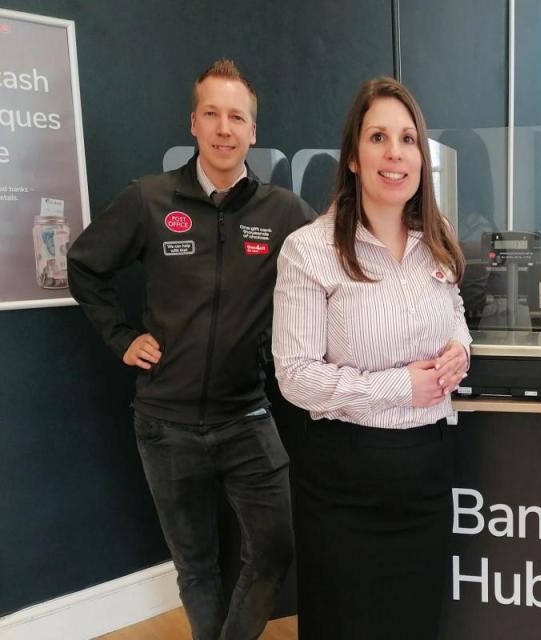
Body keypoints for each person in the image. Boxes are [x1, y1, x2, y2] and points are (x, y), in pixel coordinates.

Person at [67, 58, 314, 640]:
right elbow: (82, 266)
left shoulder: (281, 212)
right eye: (212, 114)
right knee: (196, 568)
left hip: (246, 415)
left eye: (237, 117)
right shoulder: (149, 199)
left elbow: (335, 263)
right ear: (194, 124)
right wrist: (122, 338)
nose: (225, 128)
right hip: (165, 423)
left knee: (276, 549)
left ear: (253, 131)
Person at [272, 77, 471, 639]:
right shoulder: (308, 250)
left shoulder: (437, 237)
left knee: (413, 624)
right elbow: (295, 375)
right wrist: (398, 387)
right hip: (344, 485)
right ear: (354, 157)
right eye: (378, 136)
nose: (395, 152)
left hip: (427, 472)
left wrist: (461, 350)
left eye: (408, 139)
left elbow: (453, 310)